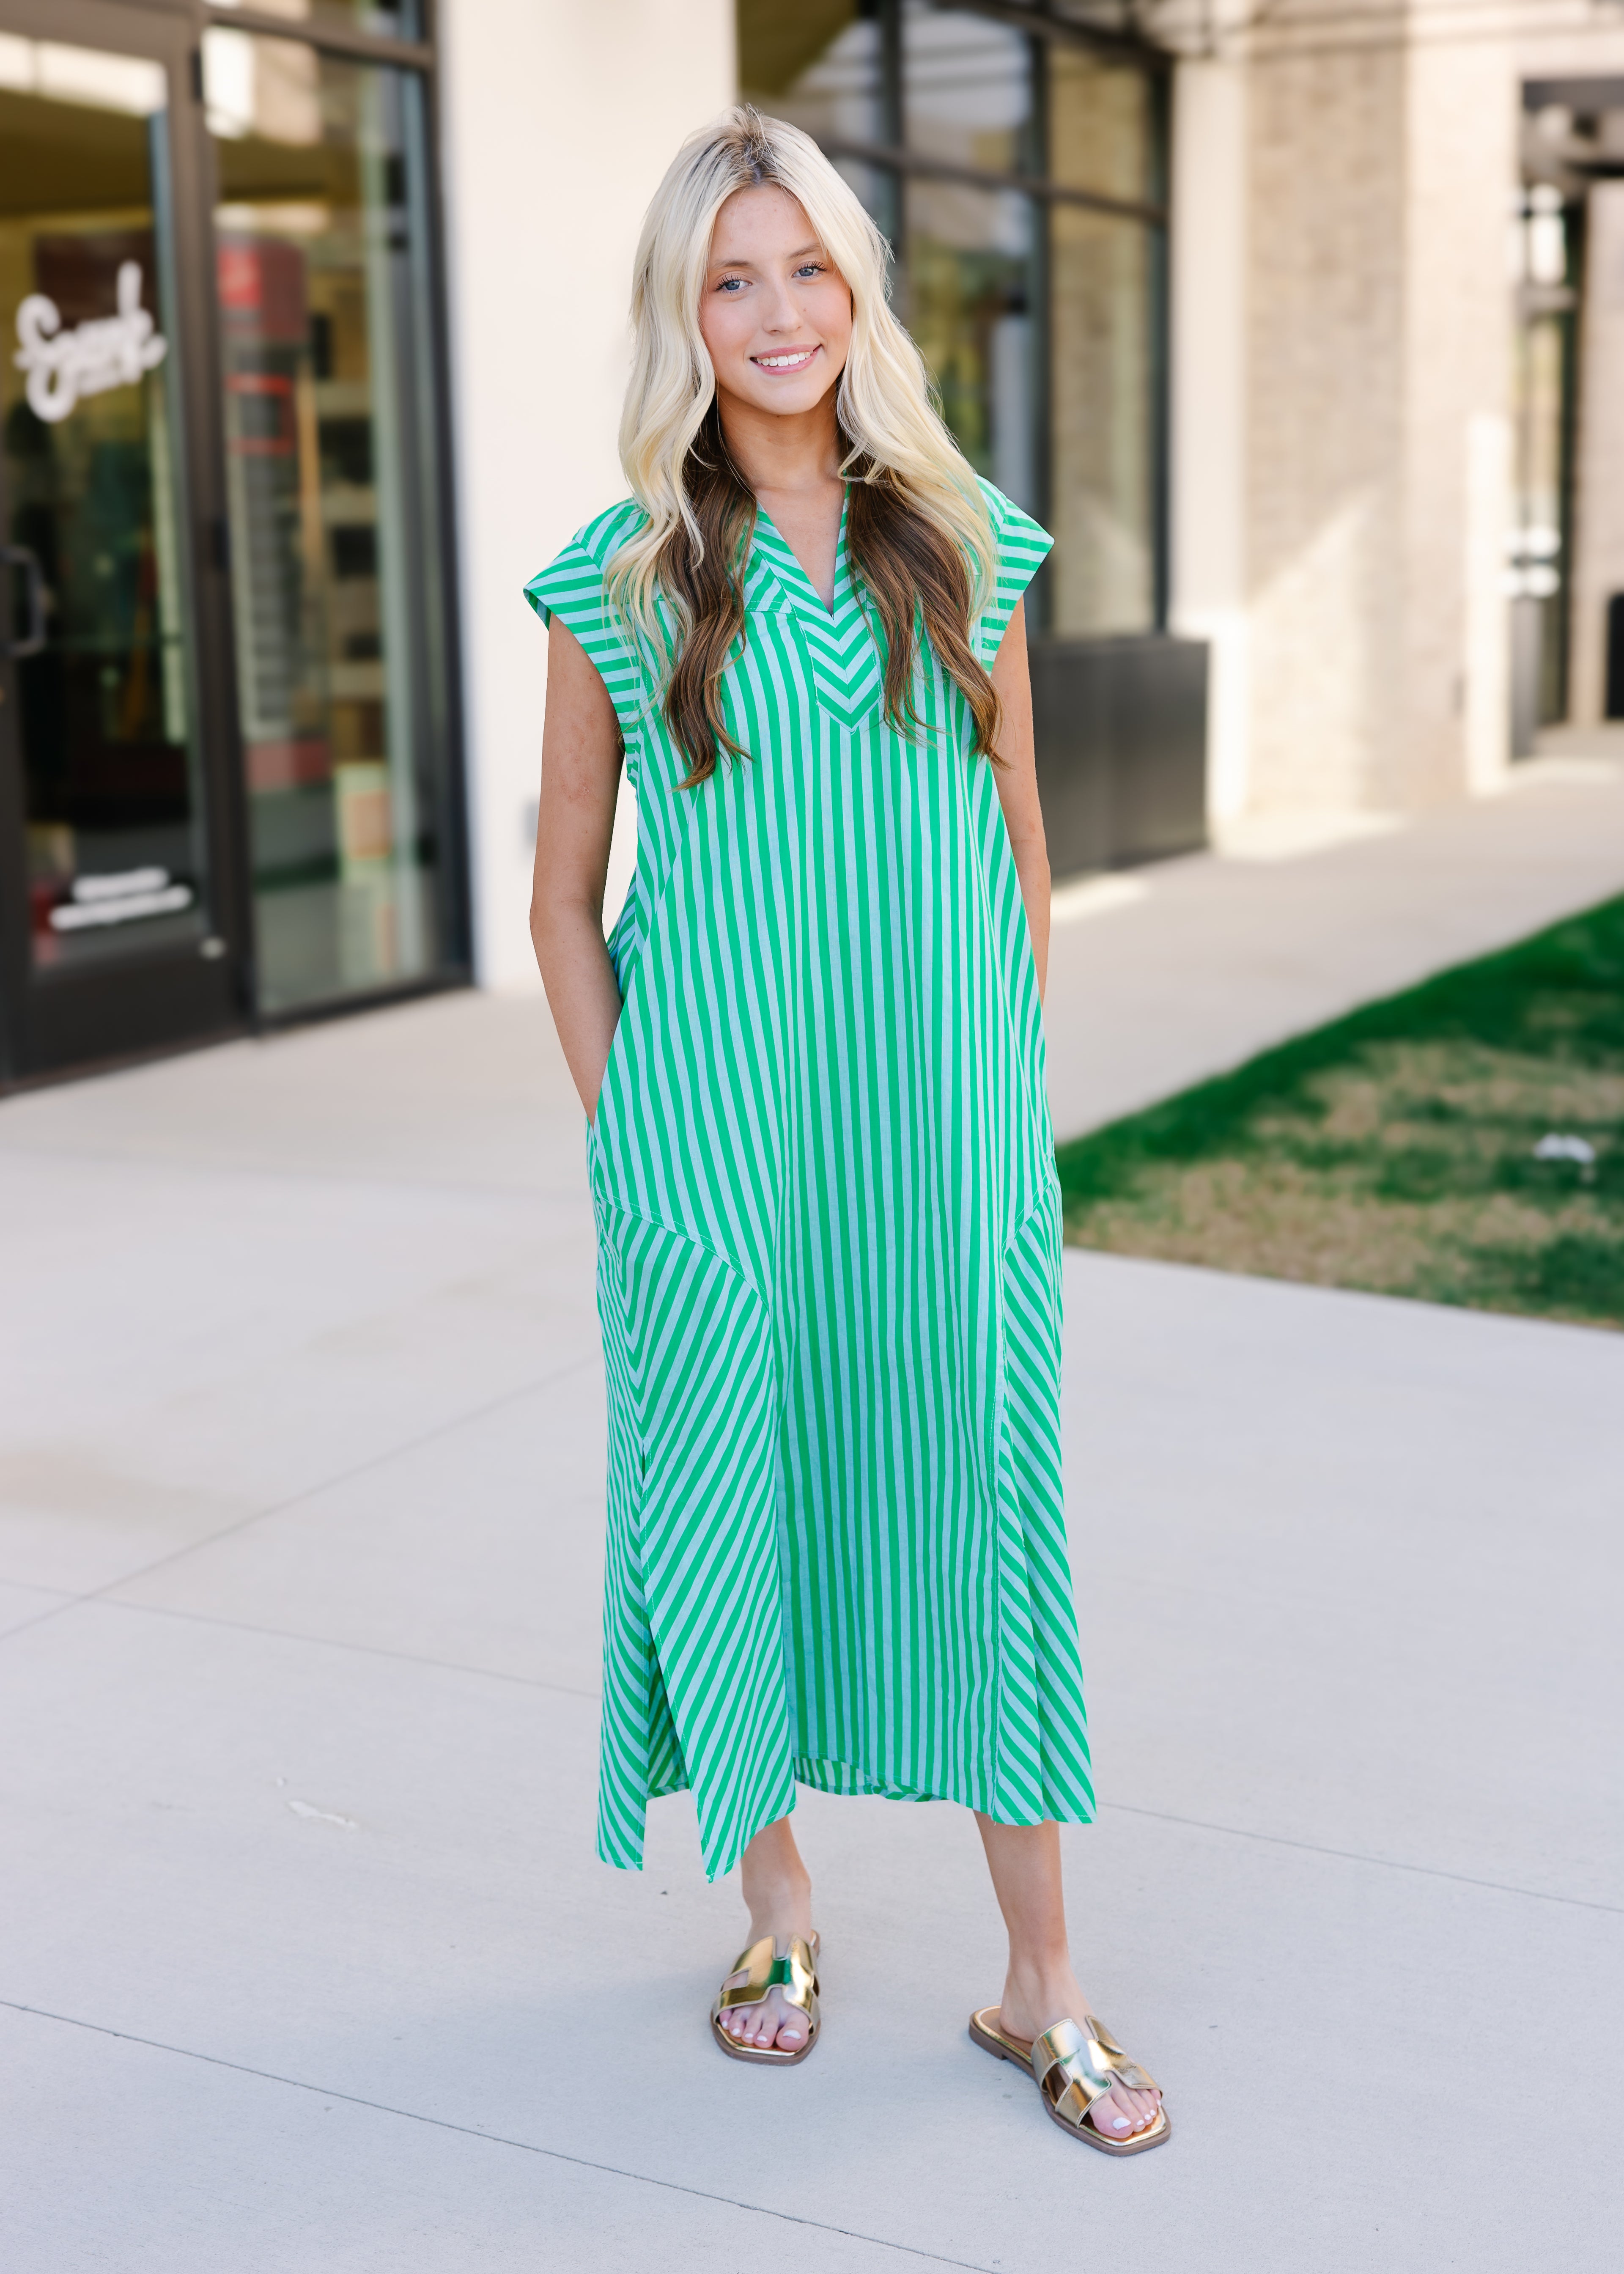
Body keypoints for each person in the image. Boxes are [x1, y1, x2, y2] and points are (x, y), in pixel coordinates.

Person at [527, 106, 1168, 2154]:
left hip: (942, 1149)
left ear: (858, 293)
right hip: (714, 1152)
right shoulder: (620, 575)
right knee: (734, 1512)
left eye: (809, 269)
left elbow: (1024, 848)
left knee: (992, 1527)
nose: (778, 312)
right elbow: (560, 893)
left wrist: (1006, 1109)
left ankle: (1042, 1986)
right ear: (682, 317)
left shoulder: (961, 536)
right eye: (733, 278)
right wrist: (638, 1136)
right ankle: (780, 1911)